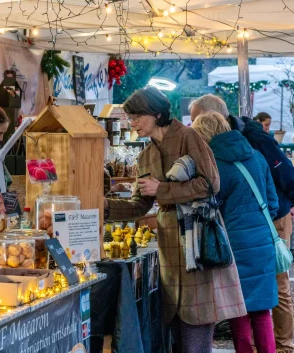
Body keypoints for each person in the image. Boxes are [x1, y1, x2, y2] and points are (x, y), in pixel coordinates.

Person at [104, 87, 246, 353]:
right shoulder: (146, 154)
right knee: (176, 333)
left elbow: (211, 184)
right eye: (130, 118)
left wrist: (162, 190)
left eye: (137, 117)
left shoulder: (188, 136)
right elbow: (139, 205)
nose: (132, 123)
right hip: (170, 250)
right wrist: (105, 207)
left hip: (198, 245)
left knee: (195, 330)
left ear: (157, 113)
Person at [189, 94, 294, 353]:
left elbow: (212, 208)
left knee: (238, 311)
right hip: (262, 240)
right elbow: (271, 201)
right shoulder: (256, 155)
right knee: (262, 310)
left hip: (232, 243)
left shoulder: (214, 165)